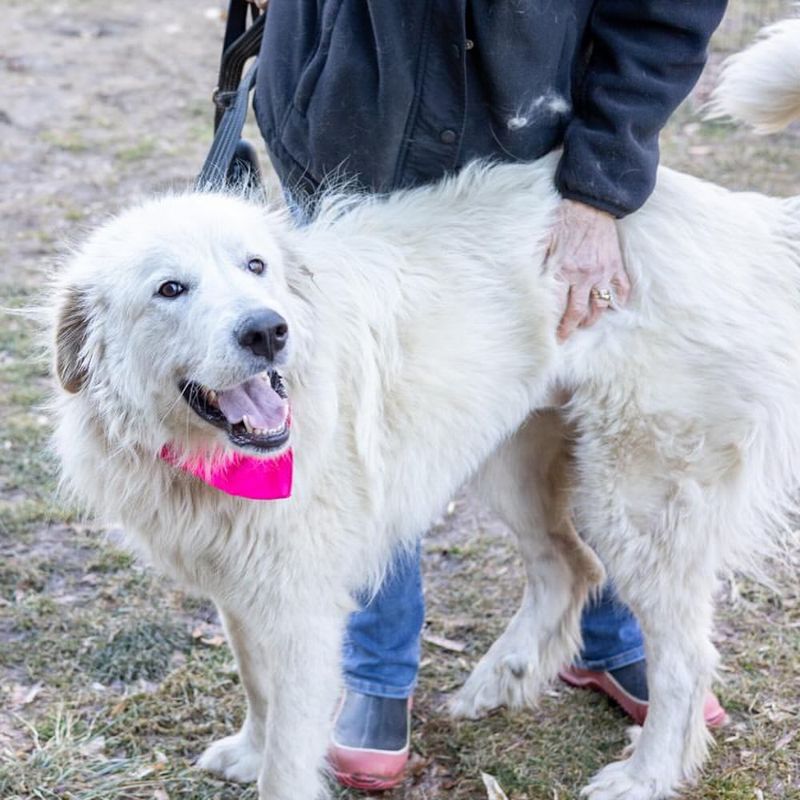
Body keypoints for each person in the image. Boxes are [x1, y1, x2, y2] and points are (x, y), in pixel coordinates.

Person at [249, 1, 729, 791]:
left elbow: (666, 10)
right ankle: (375, 672)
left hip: (536, 143)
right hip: (346, 125)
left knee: (612, 446)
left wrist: (600, 186)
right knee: (354, 428)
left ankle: (613, 642)